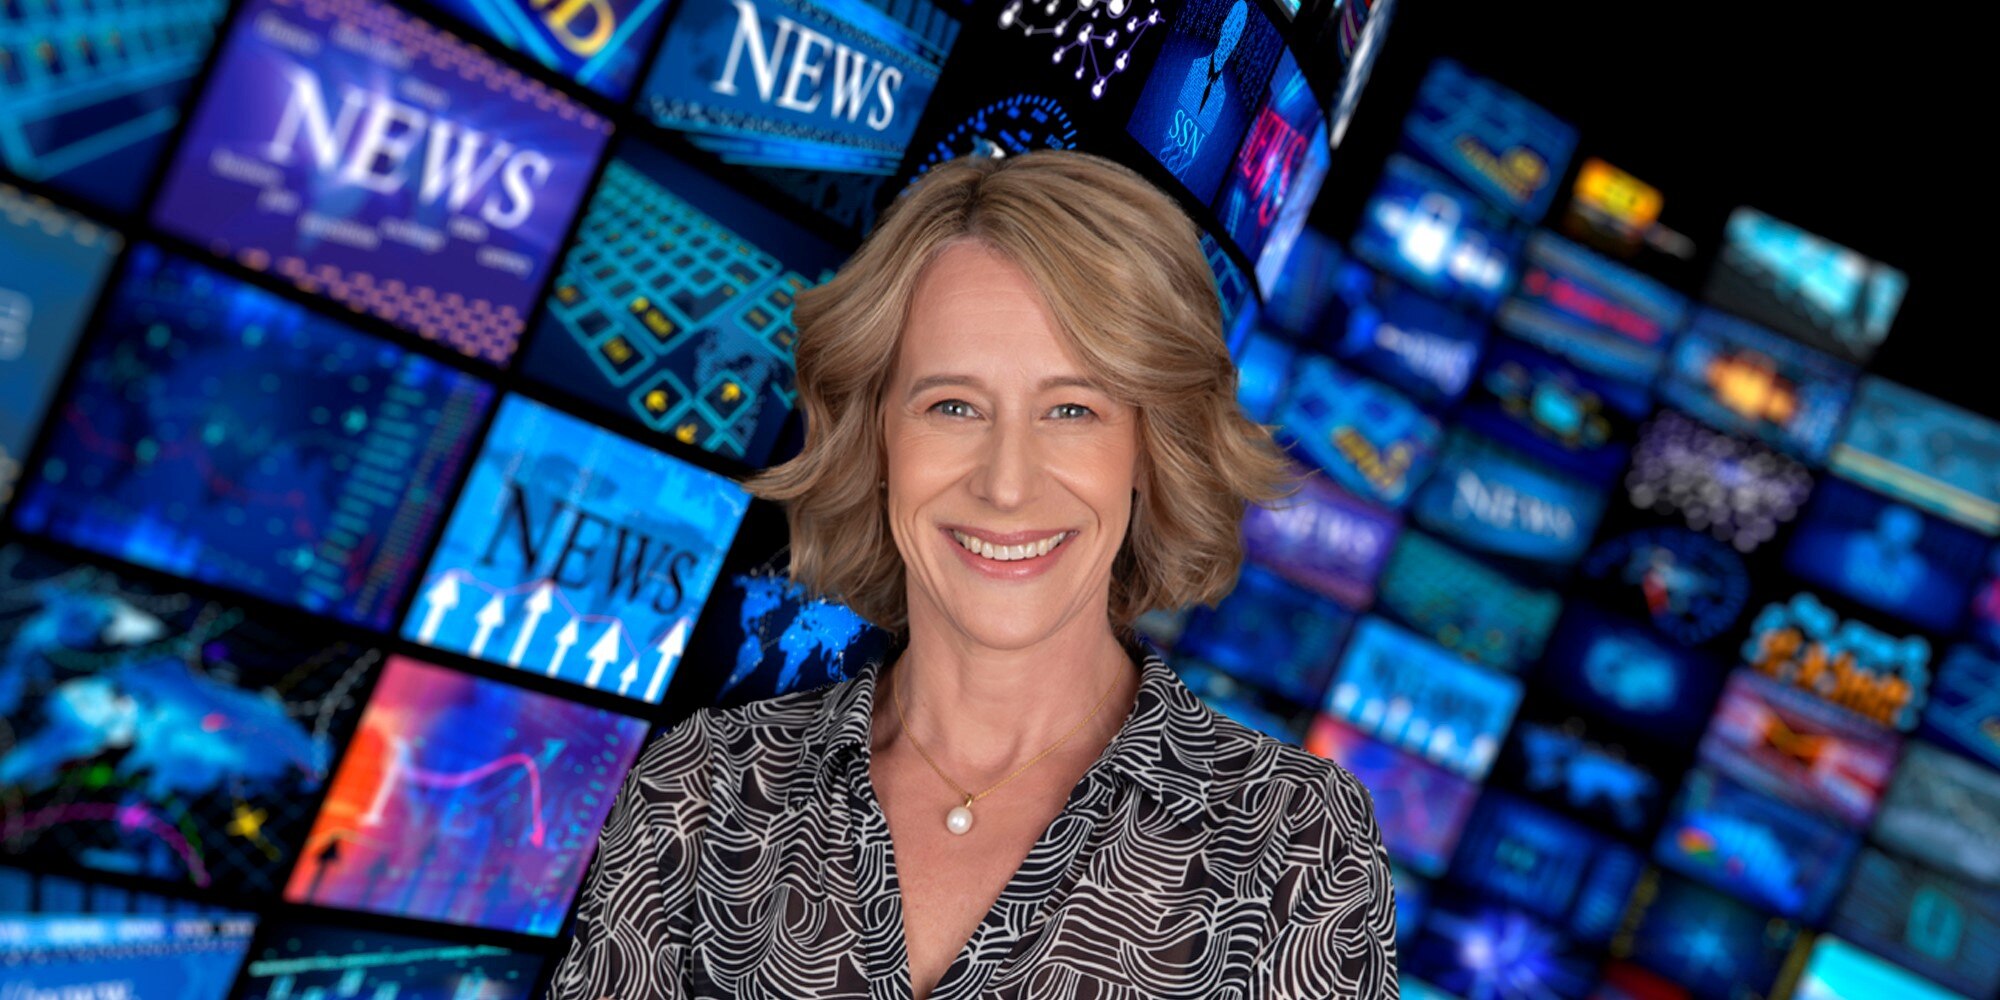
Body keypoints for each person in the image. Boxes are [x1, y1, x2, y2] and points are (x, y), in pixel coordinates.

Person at [548, 149, 1398, 999]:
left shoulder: (1293, 843)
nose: (1006, 483)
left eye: (1072, 410)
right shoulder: (697, 792)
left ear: (1150, 446)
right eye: (953, 406)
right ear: (877, 435)